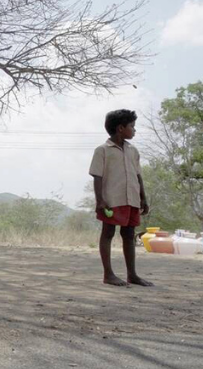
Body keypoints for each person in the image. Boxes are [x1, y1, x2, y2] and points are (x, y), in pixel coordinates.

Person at [89, 109, 153, 287]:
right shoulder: (102, 150)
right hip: (111, 199)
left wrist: (143, 198)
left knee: (129, 234)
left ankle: (132, 275)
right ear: (120, 128)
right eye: (132, 126)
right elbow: (97, 176)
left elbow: (138, 176)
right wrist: (100, 200)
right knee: (108, 232)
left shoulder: (133, 151)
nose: (134, 130)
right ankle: (108, 274)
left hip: (131, 198)